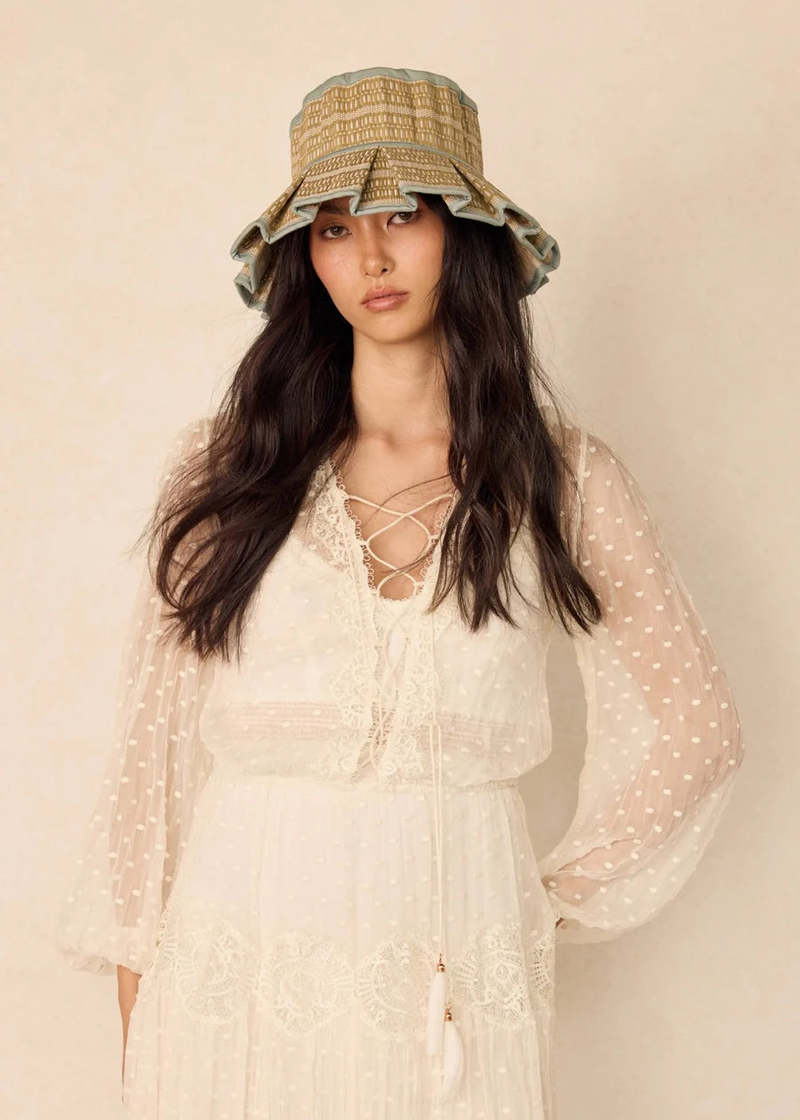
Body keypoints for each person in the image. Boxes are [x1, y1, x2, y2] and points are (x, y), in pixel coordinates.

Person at [55, 67, 745, 1119]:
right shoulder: (225, 471)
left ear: (462, 235)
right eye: (332, 229)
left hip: (451, 976)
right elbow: (145, 781)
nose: (369, 256)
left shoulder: (559, 477)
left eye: (400, 216)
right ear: (304, 258)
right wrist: (144, 1053)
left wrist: (538, 903)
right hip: (232, 982)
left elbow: (698, 724)